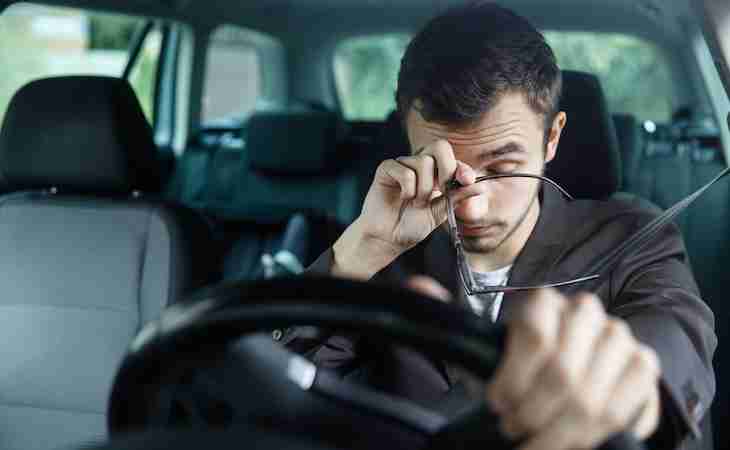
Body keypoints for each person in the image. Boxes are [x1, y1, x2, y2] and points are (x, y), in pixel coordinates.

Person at [283, 3, 716, 449]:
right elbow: (273, 392)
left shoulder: (632, 236)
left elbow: (675, 345)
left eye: (505, 168)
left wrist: (629, 393)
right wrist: (363, 250)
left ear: (552, 138)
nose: (471, 211)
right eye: (448, 172)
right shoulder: (382, 259)